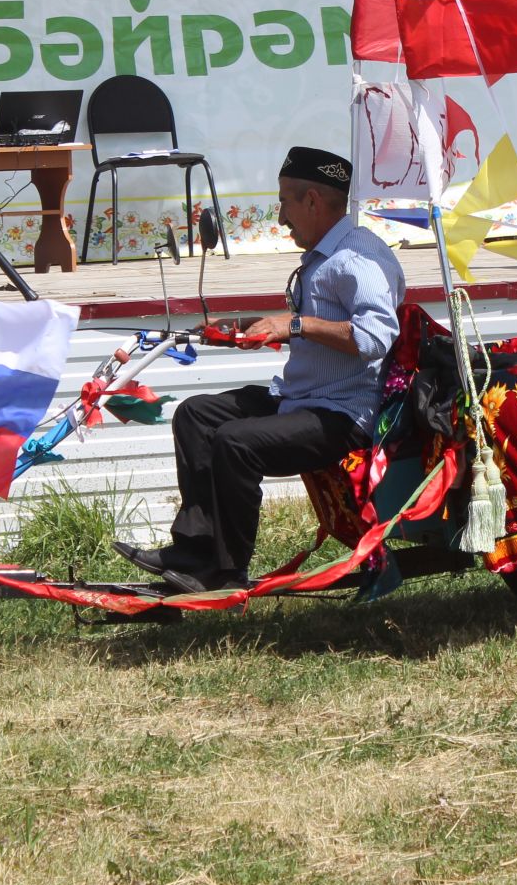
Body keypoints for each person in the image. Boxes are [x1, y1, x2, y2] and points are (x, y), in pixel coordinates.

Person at [114, 146, 406, 593]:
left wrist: (294, 323)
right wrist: (255, 327)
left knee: (235, 442)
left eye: (286, 201)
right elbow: (317, 328)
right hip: (300, 397)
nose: (281, 214)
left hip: (343, 413)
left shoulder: (360, 257)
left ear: (312, 200)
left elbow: (374, 337)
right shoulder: (325, 255)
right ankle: (195, 551)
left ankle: (226, 573)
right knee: (196, 414)